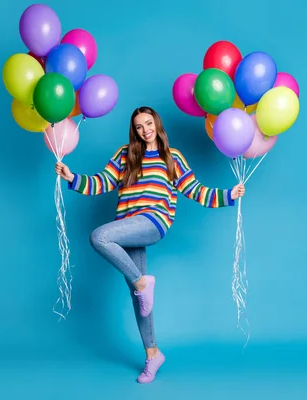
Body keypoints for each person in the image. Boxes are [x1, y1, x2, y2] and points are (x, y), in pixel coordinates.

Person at [54, 106, 245, 383]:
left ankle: (143, 283)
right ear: (135, 131)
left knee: (99, 237)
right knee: (139, 298)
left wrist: (228, 195)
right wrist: (72, 178)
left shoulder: (172, 157)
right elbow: (103, 182)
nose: (145, 130)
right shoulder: (125, 155)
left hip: (153, 221)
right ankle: (152, 353)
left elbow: (195, 190)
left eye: (149, 123)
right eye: (139, 126)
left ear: (157, 122)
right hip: (127, 225)